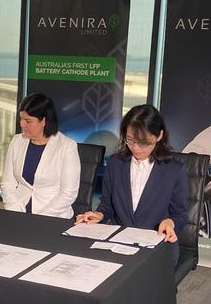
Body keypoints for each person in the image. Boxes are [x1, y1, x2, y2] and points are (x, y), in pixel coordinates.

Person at [75, 104, 188, 265]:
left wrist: (170, 222)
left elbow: (181, 215)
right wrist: (99, 215)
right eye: (130, 140)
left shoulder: (174, 170)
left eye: (143, 142)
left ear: (158, 136)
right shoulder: (115, 163)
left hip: (156, 245)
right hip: (118, 242)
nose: (136, 148)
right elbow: (107, 205)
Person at [1, 93, 81, 219]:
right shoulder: (17, 141)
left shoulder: (67, 147)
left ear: (44, 121)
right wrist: (15, 211)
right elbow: (7, 183)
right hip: (18, 212)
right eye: (21, 118)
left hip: (53, 217)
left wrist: (39, 218)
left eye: (28, 121)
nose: (22, 124)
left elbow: (68, 194)